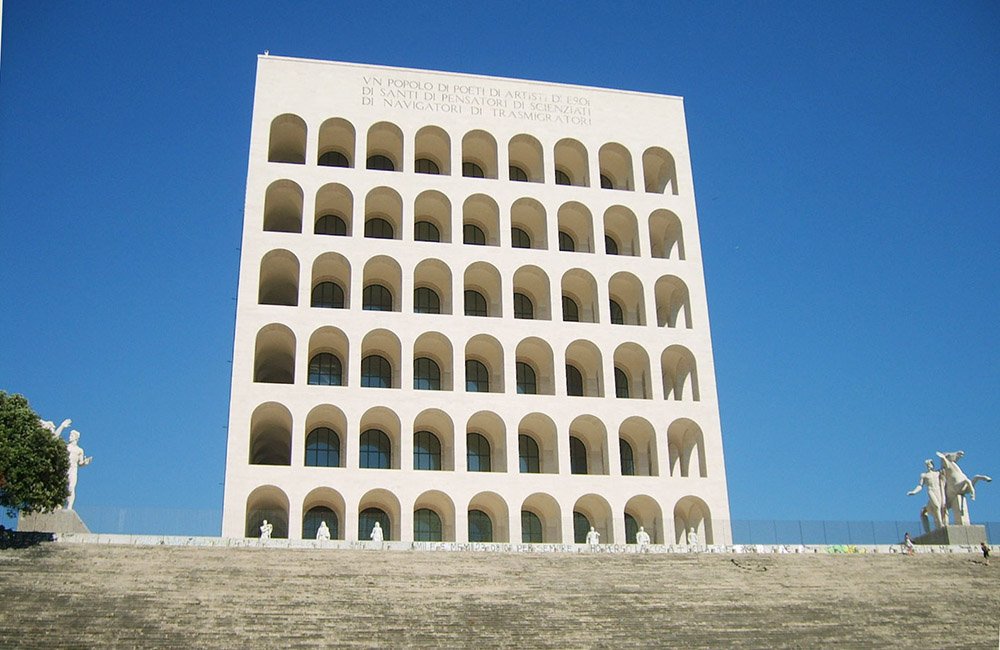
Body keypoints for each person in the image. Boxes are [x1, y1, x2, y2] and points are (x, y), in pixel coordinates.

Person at [907, 459, 946, 533]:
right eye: (927, 465)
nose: (928, 466)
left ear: (932, 465)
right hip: (930, 491)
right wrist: (914, 492)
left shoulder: (938, 473)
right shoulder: (924, 475)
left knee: (941, 508)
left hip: (938, 491)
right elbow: (920, 486)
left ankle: (939, 524)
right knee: (937, 506)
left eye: (929, 464)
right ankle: (941, 525)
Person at [65, 430, 93, 510]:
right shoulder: (66, 446)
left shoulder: (79, 450)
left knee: (71, 487)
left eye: (71, 435)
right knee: (64, 487)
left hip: (73, 469)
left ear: (76, 438)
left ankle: (69, 506)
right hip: (65, 468)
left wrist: (86, 462)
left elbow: (80, 463)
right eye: (70, 435)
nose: (70, 437)